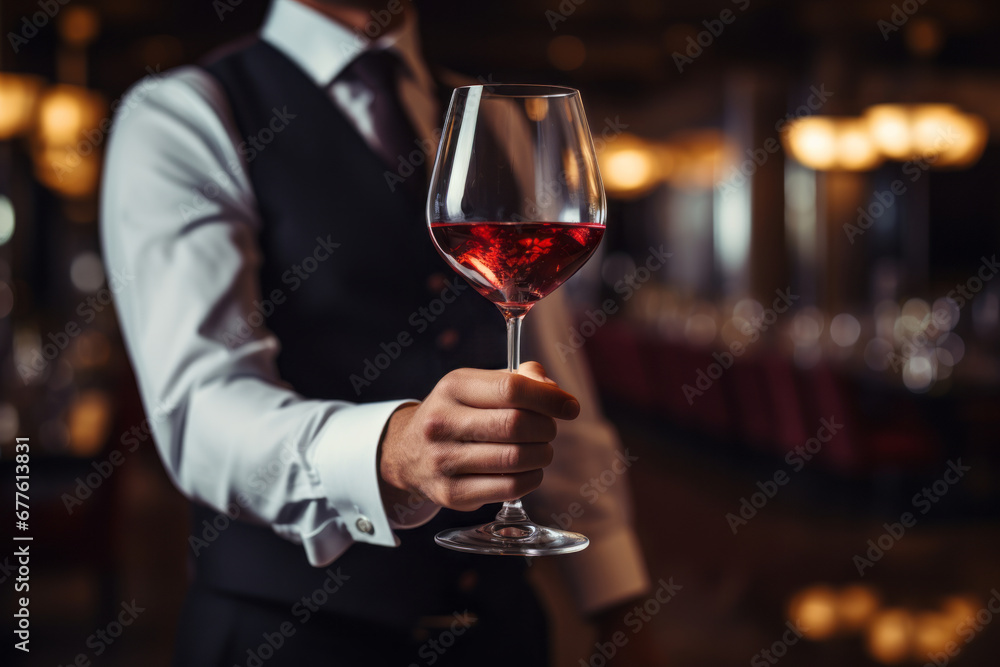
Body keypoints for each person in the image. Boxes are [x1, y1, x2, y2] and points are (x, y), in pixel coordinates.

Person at [101, 0, 652, 664]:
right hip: (285, 641)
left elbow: (554, 380)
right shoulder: (183, 115)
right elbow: (201, 411)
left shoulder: (495, 116)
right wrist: (394, 454)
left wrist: (618, 598)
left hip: (501, 637)